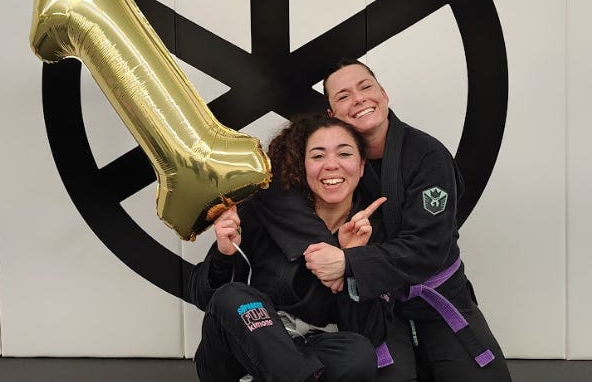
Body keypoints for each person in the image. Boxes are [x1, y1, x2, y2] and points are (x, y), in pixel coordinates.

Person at [257, 59, 512, 381]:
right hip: (373, 302)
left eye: (365, 87)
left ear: (384, 94)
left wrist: (347, 263)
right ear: (332, 114)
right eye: (343, 96)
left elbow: (428, 247)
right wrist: (326, 252)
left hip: (437, 297)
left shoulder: (428, 156)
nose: (358, 99)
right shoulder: (334, 161)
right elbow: (277, 191)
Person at [190, 113, 393, 382]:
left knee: (358, 353)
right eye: (318, 156)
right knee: (233, 297)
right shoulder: (262, 211)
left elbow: (370, 332)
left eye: (344, 154)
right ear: (302, 165)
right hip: (245, 350)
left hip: (309, 349)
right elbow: (205, 298)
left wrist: (352, 262)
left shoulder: (372, 230)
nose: (331, 165)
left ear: (362, 165)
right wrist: (224, 255)